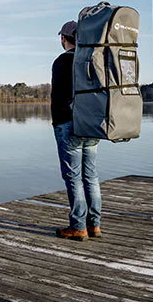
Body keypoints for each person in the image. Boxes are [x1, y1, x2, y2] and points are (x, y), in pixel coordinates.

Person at [51, 20, 102, 242]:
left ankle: (78, 227)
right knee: (91, 176)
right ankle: (94, 225)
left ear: (64, 38)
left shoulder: (62, 61)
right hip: (91, 126)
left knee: (74, 178)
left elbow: (59, 97)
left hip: (68, 125)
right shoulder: (92, 60)